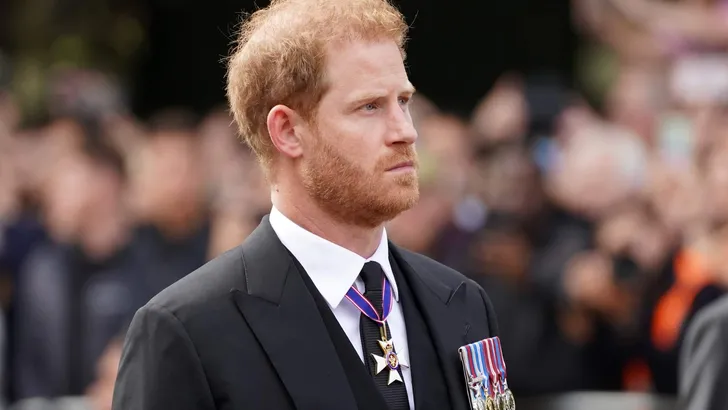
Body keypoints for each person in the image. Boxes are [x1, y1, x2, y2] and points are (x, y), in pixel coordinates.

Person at [112, 0, 499, 409]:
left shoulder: (461, 302)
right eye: (370, 106)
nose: (405, 131)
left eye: (403, 102)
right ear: (288, 131)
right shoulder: (187, 331)